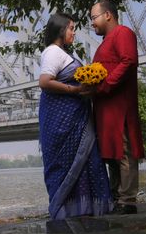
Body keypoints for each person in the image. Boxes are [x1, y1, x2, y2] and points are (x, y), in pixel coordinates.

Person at [38, 13, 113, 219]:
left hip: (75, 119)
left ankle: (82, 208)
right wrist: (74, 91)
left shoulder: (62, 53)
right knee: (65, 163)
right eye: (71, 28)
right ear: (61, 30)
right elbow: (44, 81)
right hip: (62, 120)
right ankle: (67, 209)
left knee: (85, 160)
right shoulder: (53, 52)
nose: (74, 32)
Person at [89, 0, 145, 215]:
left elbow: (129, 60)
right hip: (105, 109)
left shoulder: (123, 33)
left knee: (123, 151)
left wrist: (106, 86)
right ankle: (116, 196)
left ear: (108, 15)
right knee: (111, 153)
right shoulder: (105, 42)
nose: (92, 23)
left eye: (94, 18)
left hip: (119, 105)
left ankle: (128, 200)